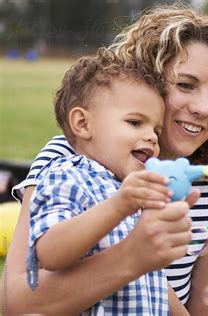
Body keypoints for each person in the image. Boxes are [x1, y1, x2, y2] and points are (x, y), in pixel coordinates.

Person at [5, 4, 208, 315]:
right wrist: (134, 256)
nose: (203, 108)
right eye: (186, 85)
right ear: (147, 83)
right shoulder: (72, 159)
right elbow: (14, 304)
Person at [25, 48, 181, 314]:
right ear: (83, 124)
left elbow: (151, 280)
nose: (153, 138)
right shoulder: (67, 175)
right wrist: (120, 205)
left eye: (156, 129)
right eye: (135, 122)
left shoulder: (130, 188)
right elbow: (49, 252)